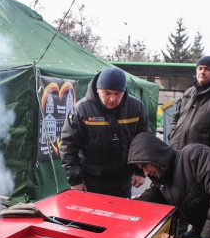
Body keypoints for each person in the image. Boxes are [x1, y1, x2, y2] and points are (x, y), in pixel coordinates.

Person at [60, 67, 151, 198]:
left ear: (124, 91)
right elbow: (68, 146)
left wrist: (140, 172)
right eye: (107, 93)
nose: (112, 99)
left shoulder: (136, 107)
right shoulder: (81, 110)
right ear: (98, 90)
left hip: (123, 181)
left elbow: (144, 140)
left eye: (117, 94)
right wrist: (76, 180)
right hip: (92, 180)